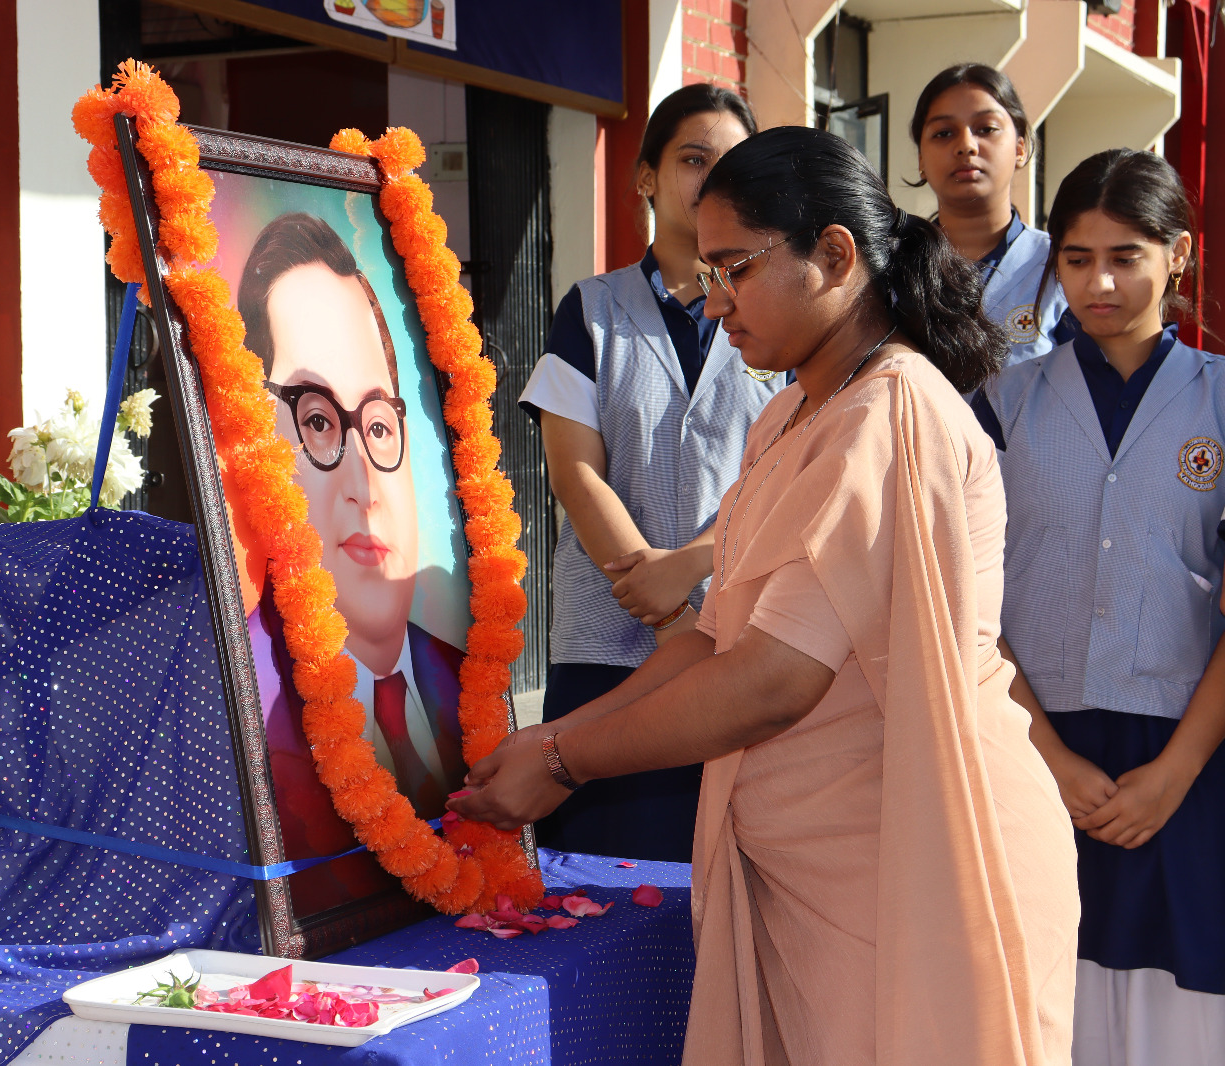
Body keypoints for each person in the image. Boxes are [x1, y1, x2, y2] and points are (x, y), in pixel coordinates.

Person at [452, 126, 1079, 1064]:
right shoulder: (791, 410)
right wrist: (547, 741)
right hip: (817, 869)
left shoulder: (890, 409)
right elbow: (713, 637)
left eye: (735, 269)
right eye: (707, 273)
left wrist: (569, 762)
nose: (714, 304)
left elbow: (771, 679)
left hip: (912, 857)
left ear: (834, 255)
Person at [972, 149, 1225, 1066]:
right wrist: (1050, 756)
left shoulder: (1222, 402)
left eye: (1126, 255)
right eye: (1077, 259)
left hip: (1185, 761)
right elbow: (965, 606)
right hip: (1028, 747)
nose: (1102, 281)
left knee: (1181, 1011)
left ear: (1179, 256)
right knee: (1038, 991)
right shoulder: (1000, 405)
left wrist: (1174, 773)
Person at [516, 84, 783, 861]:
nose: (711, 179)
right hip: (607, 641)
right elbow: (575, 473)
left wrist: (693, 566)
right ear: (645, 177)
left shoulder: (778, 312)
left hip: (737, 645)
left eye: (730, 164)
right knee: (596, 875)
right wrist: (659, 603)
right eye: (693, 159)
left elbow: (785, 472)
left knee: (720, 889)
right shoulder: (592, 310)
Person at [237, 212, 468, 914]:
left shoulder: (468, 687)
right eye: (315, 421)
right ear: (249, 447)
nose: (364, 482)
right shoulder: (238, 709)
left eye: (376, 425)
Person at [911, 63, 1073, 365]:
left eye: (986, 129)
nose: (966, 146)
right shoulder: (888, 268)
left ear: (1020, 148)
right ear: (921, 158)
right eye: (944, 133)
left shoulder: (1062, 266)